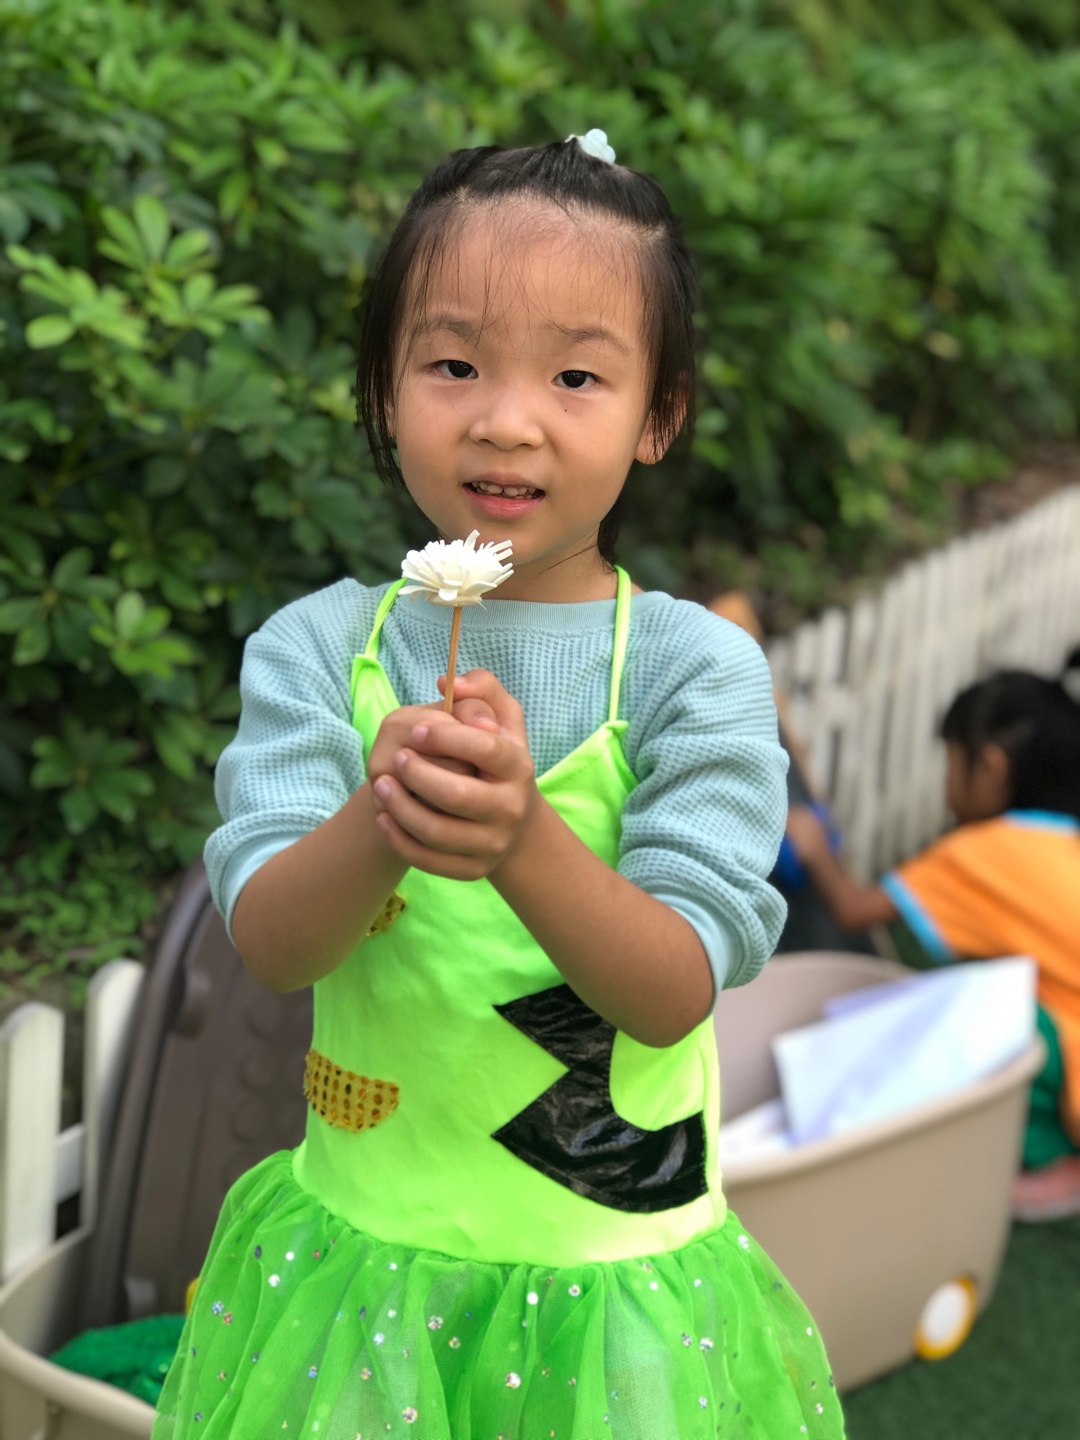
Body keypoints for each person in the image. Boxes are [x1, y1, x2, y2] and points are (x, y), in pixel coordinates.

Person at [153, 132, 843, 1439]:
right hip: (360, 1269)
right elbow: (276, 946)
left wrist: (523, 838)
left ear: (658, 415)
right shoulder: (320, 650)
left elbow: (671, 991)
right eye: (454, 363)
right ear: (384, 389)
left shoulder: (695, 670)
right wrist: (384, 818)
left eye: (576, 374)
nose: (506, 418)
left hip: (610, 1288)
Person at [786, 655, 1080, 1223]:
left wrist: (814, 847)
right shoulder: (1063, 840)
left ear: (989, 767)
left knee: (984, 1009)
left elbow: (854, 908)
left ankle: (1052, 1158)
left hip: (1071, 1070)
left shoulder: (985, 852)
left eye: (950, 762)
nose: (946, 787)